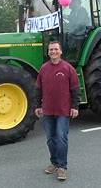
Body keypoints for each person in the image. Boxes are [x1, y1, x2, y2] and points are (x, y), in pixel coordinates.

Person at [35, 41, 80, 181]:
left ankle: (62, 167)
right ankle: (54, 163)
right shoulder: (43, 68)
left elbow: (75, 89)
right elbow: (38, 89)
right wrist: (38, 106)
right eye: (50, 50)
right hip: (47, 110)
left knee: (61, 138)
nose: (53, 51)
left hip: (63, 110)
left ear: (60, 52)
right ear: (48, 52)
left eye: (55, 49)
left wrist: (75, 107)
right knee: (50, 139)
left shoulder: (68, 68)